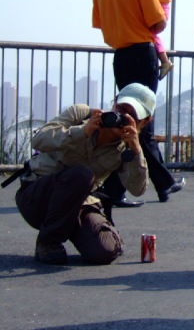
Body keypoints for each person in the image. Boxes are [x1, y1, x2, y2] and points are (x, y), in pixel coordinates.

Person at [15, 83, 155, 265]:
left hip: (77, 205)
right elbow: (39, 140)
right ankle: (48, 241)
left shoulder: (126, 150)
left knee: (104, 251)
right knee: (82, 175)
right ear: (114, 103)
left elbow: (137, 189)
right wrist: (83, 131)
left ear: (145, 122)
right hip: (38, 197)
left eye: (131, 116)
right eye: (121, 110)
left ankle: (106, 234)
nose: (122, 119)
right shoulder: (81, 115)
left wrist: (136, 151)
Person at [93, 0, 185, 206]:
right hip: (142, 54)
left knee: (129, 119)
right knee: (141, 121)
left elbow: (101, 24)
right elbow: (159, 23)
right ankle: (148, 184)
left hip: (120, 56)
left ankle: (153, 184)